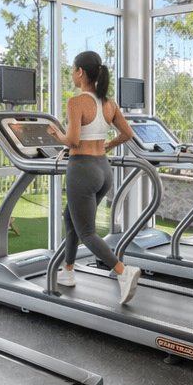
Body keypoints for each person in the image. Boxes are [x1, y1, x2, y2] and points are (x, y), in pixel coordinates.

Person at [48, 50, 142, 303]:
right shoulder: (109, 103)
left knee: (87, 232)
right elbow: (127, 134)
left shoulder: (76, 102)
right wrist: (107, 147)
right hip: (103, 169)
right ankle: (68, 271)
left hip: (82, 170)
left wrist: (57, 135)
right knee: (71, 219)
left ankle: (123, 271)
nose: (70, 74)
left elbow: (74, 141)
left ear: (80, 72)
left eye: (72, 69)